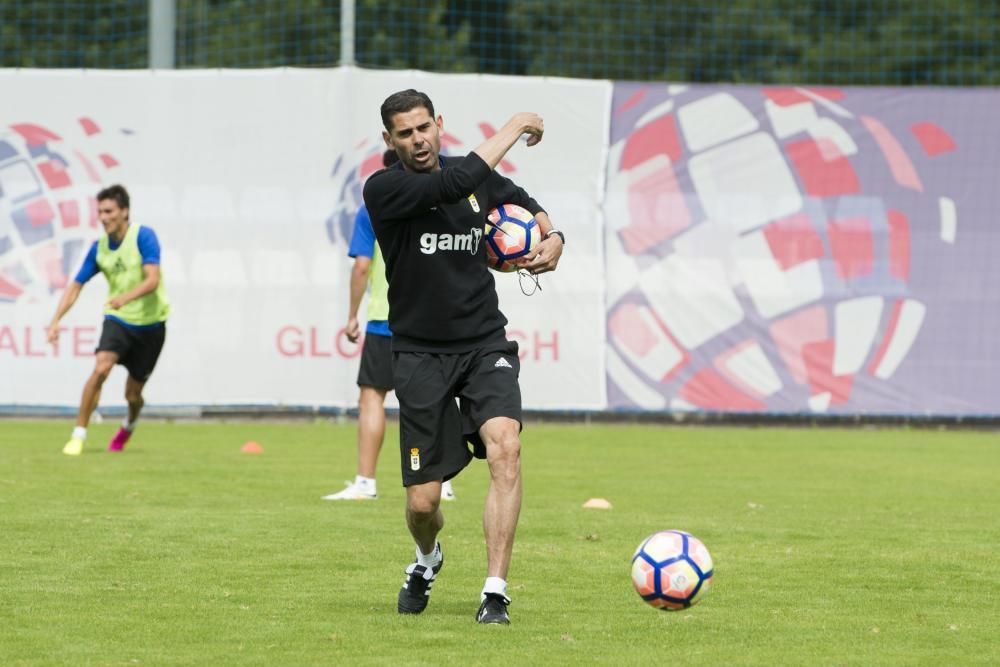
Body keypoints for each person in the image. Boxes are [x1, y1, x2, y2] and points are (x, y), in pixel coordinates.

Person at [363, 89, 563, 625]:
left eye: (424, 127)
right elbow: (456, 182)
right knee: (423, 504)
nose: (417, 139)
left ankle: (495, 590)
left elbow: (514, 193)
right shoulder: (385, 189)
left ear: (439, 125)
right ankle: (427, 559)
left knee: (506, 447)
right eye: (404, 133)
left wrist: (552, 234)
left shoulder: (473, 178)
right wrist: (516, 122)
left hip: (483, 345)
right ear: (390, 140)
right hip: (420, 355)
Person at [323, 148, 456, 502]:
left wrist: (352, 315)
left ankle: (366, 482)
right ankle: (442, 482)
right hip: (435, 317)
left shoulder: (373, 209)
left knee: (371, 397)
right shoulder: (441, 204)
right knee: (436, 400)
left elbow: (362, 267)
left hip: (387, 315)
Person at [46, 184, 170, 456]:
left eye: (109, 211)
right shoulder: (99, 248)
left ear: (124, 212)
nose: (103, 217)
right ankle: (78, 435)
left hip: (151, 326)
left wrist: (126, 297)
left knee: (132, 395)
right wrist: (56, 320)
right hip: (118, 321)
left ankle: (130, 423)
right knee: (101, 369)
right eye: (100, 212)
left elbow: (152, 279)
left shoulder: (143, 237)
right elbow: (76, 285)